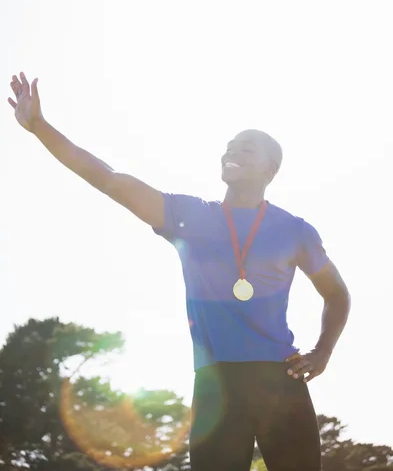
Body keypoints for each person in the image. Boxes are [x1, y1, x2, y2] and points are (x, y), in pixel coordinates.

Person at [8, 72, 350, 471]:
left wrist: (323, 351)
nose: (232, 151)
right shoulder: (189, 217)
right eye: (229, 146)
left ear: (270, 168)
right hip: (214, 386)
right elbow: (109, 180)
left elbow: (337, 293)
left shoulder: (295, 230)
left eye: (247, 148)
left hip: (279, 379)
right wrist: (40, 128)